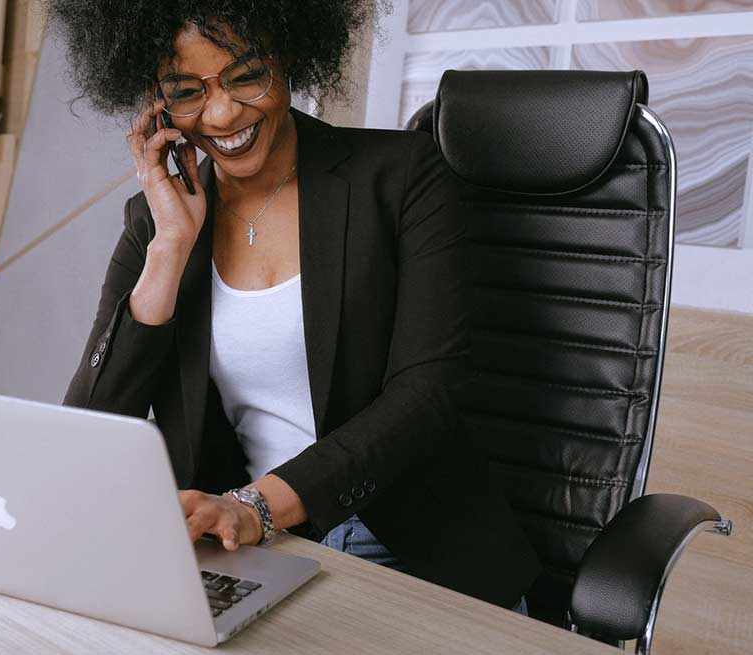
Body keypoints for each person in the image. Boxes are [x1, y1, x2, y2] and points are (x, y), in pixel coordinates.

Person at [48, 1, 541, 614]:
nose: (222, 114)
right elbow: (91, 427)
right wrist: (170, 246)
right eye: (187, 91)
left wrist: (256, 506)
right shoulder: (157, 221)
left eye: (246, 76)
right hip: (243, 551)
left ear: (288, 58)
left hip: (409, 542)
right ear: (158, 102)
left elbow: (428, 390)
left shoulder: (402, 177)